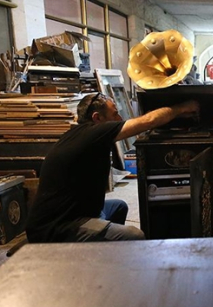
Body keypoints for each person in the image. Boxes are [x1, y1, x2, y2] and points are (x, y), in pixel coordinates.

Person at [26, 92, 199, 243]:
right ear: (97, 118)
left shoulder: (80, 134)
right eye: (115, 114)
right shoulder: (94, 133)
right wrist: (182, 108)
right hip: (58, 228)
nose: (119, 119)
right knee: (135, 236)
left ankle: (108, 254)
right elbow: (149, 121)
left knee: (119, 206)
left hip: (74, 213)